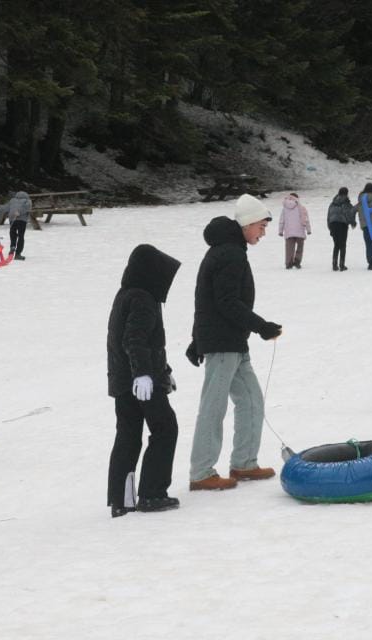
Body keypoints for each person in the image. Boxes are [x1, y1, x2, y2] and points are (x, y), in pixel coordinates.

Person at [184, 194, 283, 491]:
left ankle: (244, 463)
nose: (263, 233)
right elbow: (224, 302)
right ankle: (201, 471)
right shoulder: (229, 253)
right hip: (224, 342)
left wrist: (196, 338)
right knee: (214, 406)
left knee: (251, 400)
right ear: (248, 223)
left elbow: (205, 299)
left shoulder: (229, 250)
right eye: (261, 227)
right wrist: (261, 326)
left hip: (232, 342)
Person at [107, 245, 182, 516]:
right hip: (141, 382)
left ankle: (121, 500)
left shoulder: (125, 294)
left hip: (124, 380)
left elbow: (143, 342)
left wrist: (165, 370)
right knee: (165, 429)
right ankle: (152, 493)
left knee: (128, 436)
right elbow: (133, 340)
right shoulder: (142, 298)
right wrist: (144, 374)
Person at [326, 187, 357, 271]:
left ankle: (334, 264)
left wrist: (329, 226)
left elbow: (329, 216)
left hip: (333, 225)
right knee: (342, 245)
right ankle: (342, 265)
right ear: (346, 193)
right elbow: (349, 213)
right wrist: (353, 223)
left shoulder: (332, 203)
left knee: (336, 245)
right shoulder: (346, 203)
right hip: (342, 225)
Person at [278, 192, 311, 269]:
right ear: (297, 198)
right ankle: (297, 262)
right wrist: (308, 229)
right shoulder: (301, 207)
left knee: (289, 248)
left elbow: (282, 220)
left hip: (289, 232)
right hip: (300, 231)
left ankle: (288, 263)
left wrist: (280, 230)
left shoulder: (284, 208)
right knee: (300, 247)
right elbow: (306, 219)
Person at [0, 191, 32, 260]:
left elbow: (5, 208)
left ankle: (12, 247)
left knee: (13, 233)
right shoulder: (28, 201)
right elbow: (27, 208)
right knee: (21, 236)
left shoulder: (12, 200)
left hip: (12, 219)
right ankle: (18, 254)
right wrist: (19, 212)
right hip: (22, 220)